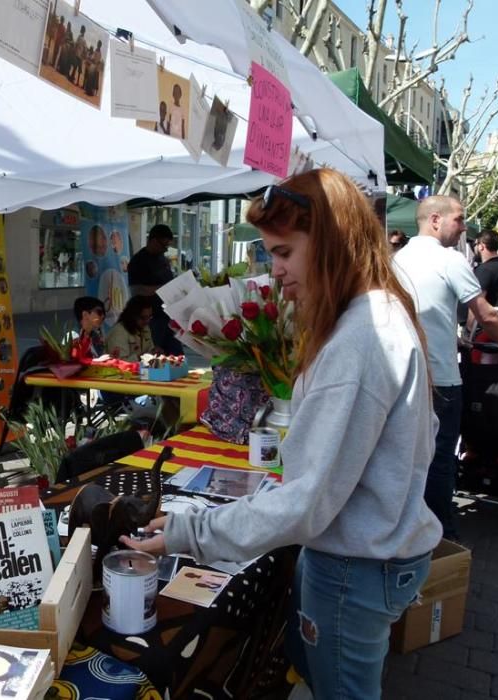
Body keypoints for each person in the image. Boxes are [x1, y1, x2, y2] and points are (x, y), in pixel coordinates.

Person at [123, 169, 442, 698]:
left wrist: (187, 532)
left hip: (353, 569)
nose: (275, 272)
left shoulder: (359, 340)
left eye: (285, 253)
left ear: (332, 243)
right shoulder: (379, 316)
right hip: (373, 560)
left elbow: (304, 503)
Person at [395, 195, 498, 539]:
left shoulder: (396, 259)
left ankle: (406, 527)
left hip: (400, 377)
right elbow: (486, 313)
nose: (464, 227)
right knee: (439, 460)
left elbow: (416, 313)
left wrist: (451, 338)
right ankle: (440, 536)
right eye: (460, 219)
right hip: (439, 379)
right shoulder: (449, 259)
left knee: (404, 457)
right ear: (435, 220)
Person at [127, 224, 182, 354]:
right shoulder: (138, 261)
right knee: (154, 355)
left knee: (177, 355)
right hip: (151, 318)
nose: (165, 250)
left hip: (168, 315)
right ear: (153, 241)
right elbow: (136, 290)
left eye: (167, 246)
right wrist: (163, 288)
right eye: (163, 246)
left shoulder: (162, 258)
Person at [105, 295, 160, 361]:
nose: (147, 321)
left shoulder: (145, 328)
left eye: (150, 317)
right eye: (143, 318)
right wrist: (142, 357)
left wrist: (155, 352)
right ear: (132, 316)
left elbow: (150, 351)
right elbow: (120, 363)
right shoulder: (119, 332)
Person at [472, 229, 498, 308]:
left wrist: (469, 320)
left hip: (483, 318)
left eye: (475, 244)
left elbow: (477, 303)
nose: (474, 247)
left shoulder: (485, 269)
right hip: (495, 316)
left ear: (481, 246)